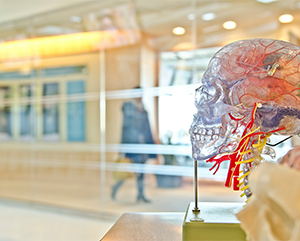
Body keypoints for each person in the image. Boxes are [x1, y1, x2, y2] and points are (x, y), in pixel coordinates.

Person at [112, 87, 156, 202]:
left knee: (141, 172)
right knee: (127, 171)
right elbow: (125, 128)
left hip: (143, 146)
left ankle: (140, 194)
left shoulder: (143, 109)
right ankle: (115, 187)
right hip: (132, 146)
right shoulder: (129, 107)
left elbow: (147, 129)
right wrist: (123, 148)